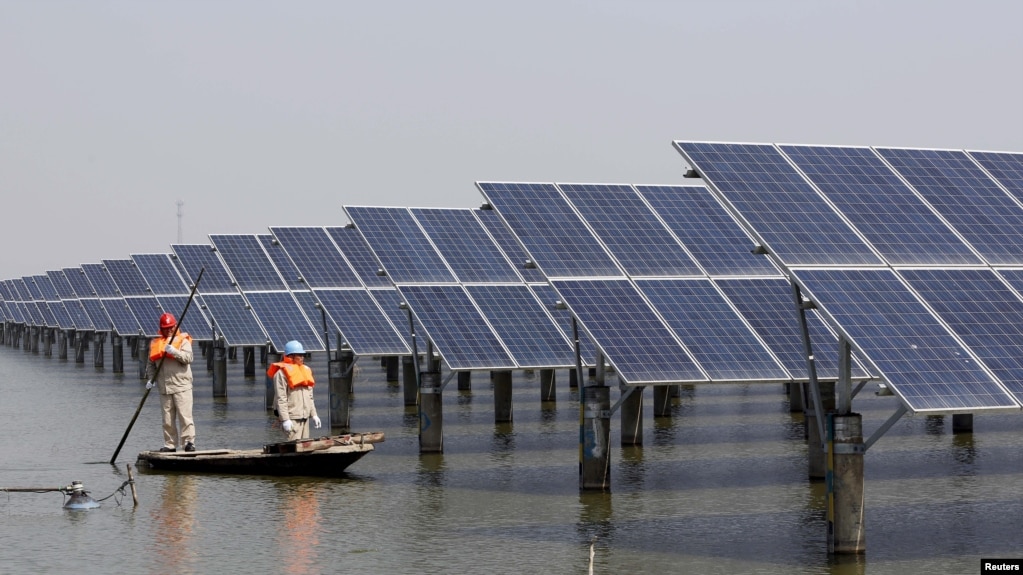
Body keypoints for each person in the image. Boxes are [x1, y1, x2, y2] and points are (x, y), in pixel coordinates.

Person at [146, 312, 196, 452]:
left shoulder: (183, 341)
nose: (169, 330)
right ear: (161, 329)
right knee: (167, 419)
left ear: (175, 326)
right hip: (164, 387)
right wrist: (151, 379)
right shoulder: (156, 343)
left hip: (182, 386)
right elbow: (150, 364)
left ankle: (188, 443)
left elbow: (188, 358)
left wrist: (174, 351)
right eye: (166, 327)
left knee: (185, 416)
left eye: (171, 327)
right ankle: (170, 444)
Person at [268, 340, 321, 441]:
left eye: (303, 355)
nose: (302, 357)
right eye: (299, 355)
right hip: (292, 418)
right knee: (292, 449)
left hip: (305, 418)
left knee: (305, 448)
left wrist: (314, 415)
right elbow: (281, 398)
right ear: (291, 356)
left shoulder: (306, 370)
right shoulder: (281, 374)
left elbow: (310, 396)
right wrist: (285, 419)